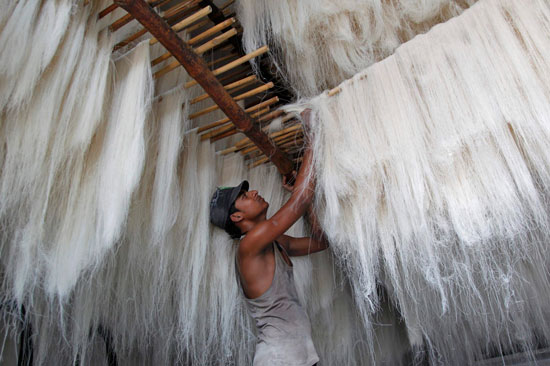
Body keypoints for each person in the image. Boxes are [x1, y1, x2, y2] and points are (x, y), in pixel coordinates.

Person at [209, 117, 328, 366]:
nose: (253, 192)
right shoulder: (249, 245)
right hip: (278, 359)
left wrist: (302, 197)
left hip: (301, 358)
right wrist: (313, 135)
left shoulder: (274, 243)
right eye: (244, 196)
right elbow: (302, 199)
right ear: (237, 216)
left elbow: (320, 242)